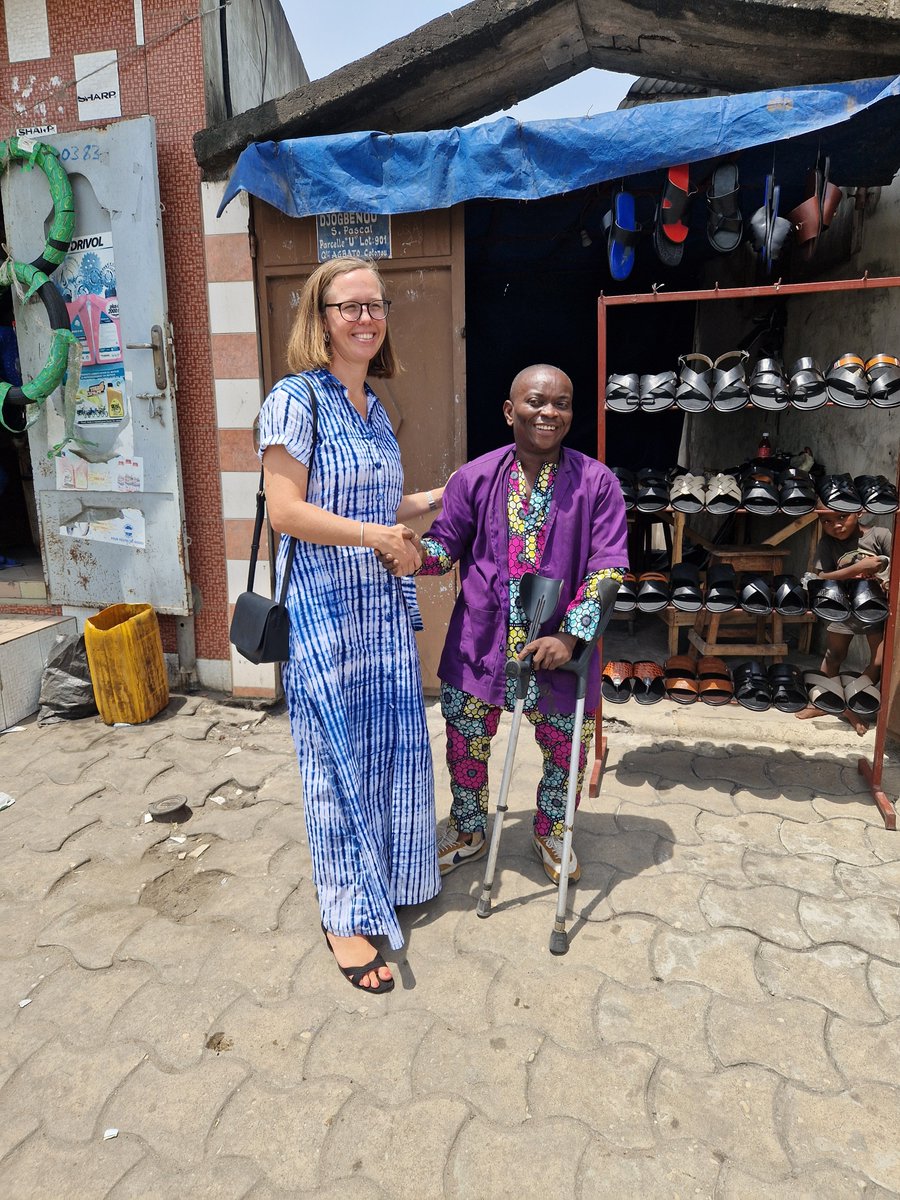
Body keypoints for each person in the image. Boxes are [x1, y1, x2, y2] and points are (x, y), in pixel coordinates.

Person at [257, 255, 447, 993]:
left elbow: (374, 503)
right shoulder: (294, 400)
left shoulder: (374, 406)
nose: (366, 317)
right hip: (325, 613)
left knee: (389, 746)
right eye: (349, 306)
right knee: (333, 760)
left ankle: (388, 877)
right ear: (320, 317)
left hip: (378, 613)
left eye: (376, 305)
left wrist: (429, 497)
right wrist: (376, 538)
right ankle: (343, 915)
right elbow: (287, 511)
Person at [411, 364, 628, 882]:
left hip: (558, 650)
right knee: (465, 742)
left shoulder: (597, 484)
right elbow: (445, 547)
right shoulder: (474, 478)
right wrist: (410, 554)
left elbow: (609, 568)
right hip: (480, 644)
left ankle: (552, 832)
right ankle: (468, 830)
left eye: (562, 403)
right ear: (510, 411)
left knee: (567, 750)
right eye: (536, 401)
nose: (549, 412)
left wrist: (570, 636)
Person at [797, 507, 892, 733]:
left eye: (842, 517)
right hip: (841, 609)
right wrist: (859, 568)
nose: (836, 525)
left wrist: (885, 581)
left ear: (858, 513)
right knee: (834, 656)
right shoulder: (827, 544)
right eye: (827, 521)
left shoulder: (880, 536)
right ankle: (831, 705)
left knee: (879, 662)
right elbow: (820, 578)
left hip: (874, 608)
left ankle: (852, 700)